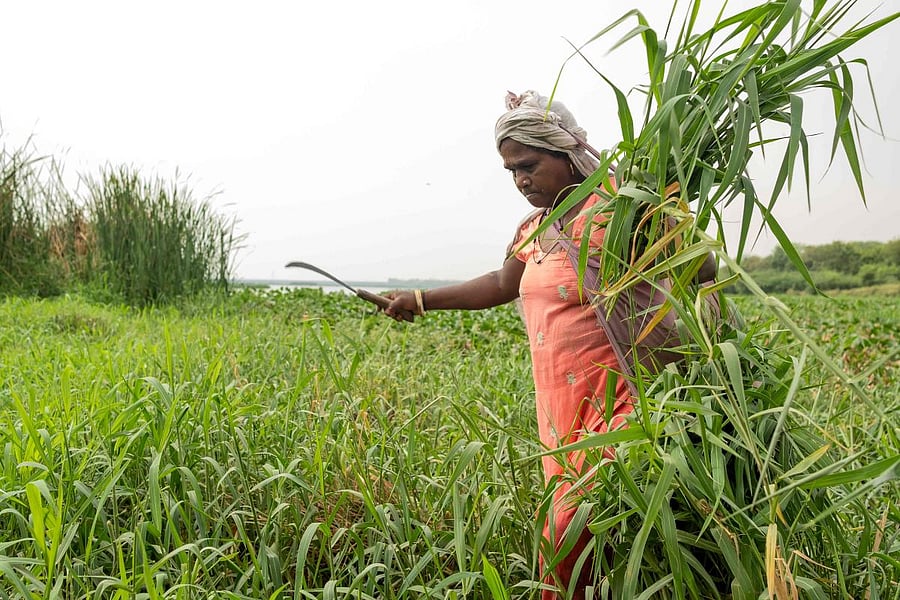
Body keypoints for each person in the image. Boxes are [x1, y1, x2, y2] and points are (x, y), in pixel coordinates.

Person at [384, 90, 637, 599]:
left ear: (567, 153)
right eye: (511, 171)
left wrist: (657, 220)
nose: (521, 180)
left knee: (569, 532)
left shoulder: (619, 210)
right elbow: (502, 285)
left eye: (529, 164)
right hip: (562, 410)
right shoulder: (536, 228)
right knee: (597, 544)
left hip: (623, 402)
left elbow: (704, 268)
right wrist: (418, 299)